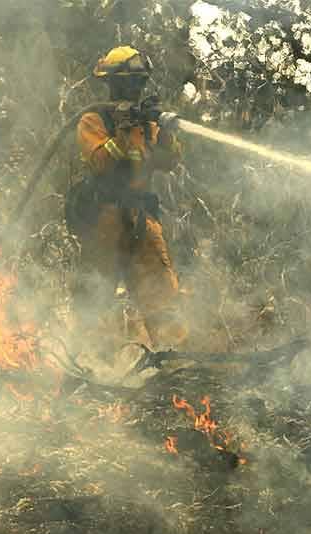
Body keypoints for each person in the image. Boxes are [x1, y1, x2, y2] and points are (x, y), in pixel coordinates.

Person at [71, 45, 187, 354]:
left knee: (160, 292)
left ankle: (171, 363)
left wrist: (164, 134)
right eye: (128, 82)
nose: (134, 89)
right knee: (95, 297)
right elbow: (102, 162)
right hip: (105, 219)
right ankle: (91, 364)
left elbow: (168, 162)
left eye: (139, 83)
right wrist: (121, 128)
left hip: (141, 219)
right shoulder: (94, 120)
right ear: (112, 83)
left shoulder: (148, 123)